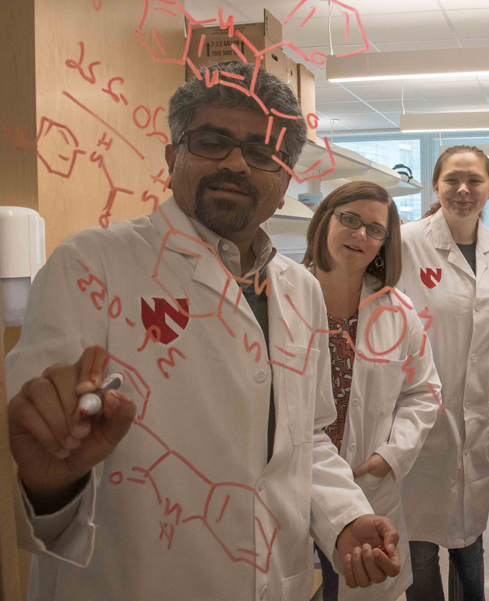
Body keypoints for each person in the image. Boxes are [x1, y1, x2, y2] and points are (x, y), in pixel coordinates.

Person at [5, 61, 402, 600]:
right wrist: (51, 482)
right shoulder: (90, 265)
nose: (237, 162)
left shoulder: (299, 289)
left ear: (285, 179)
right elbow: (49, 449)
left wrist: (345, 516)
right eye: (214, 141)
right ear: (173, 156)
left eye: (263, 153)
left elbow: (303, 438)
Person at [301, 181, 442, 601]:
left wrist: (391, 456)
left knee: (355, 584)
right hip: (292, 477)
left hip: (367, 479)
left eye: (375, 229)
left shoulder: (398, 311)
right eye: (349, 219)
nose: (361, 235)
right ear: (324, 220)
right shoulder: (281, 298)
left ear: (385, 242)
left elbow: (424, 390)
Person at [397, 145, 489, 601]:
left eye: (475, 181)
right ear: (436, 185)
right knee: (421, 543)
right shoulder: (405, 242)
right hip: (419, 413)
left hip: (478, 415)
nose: (463, 190)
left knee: (470, 541)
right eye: (452, 179)